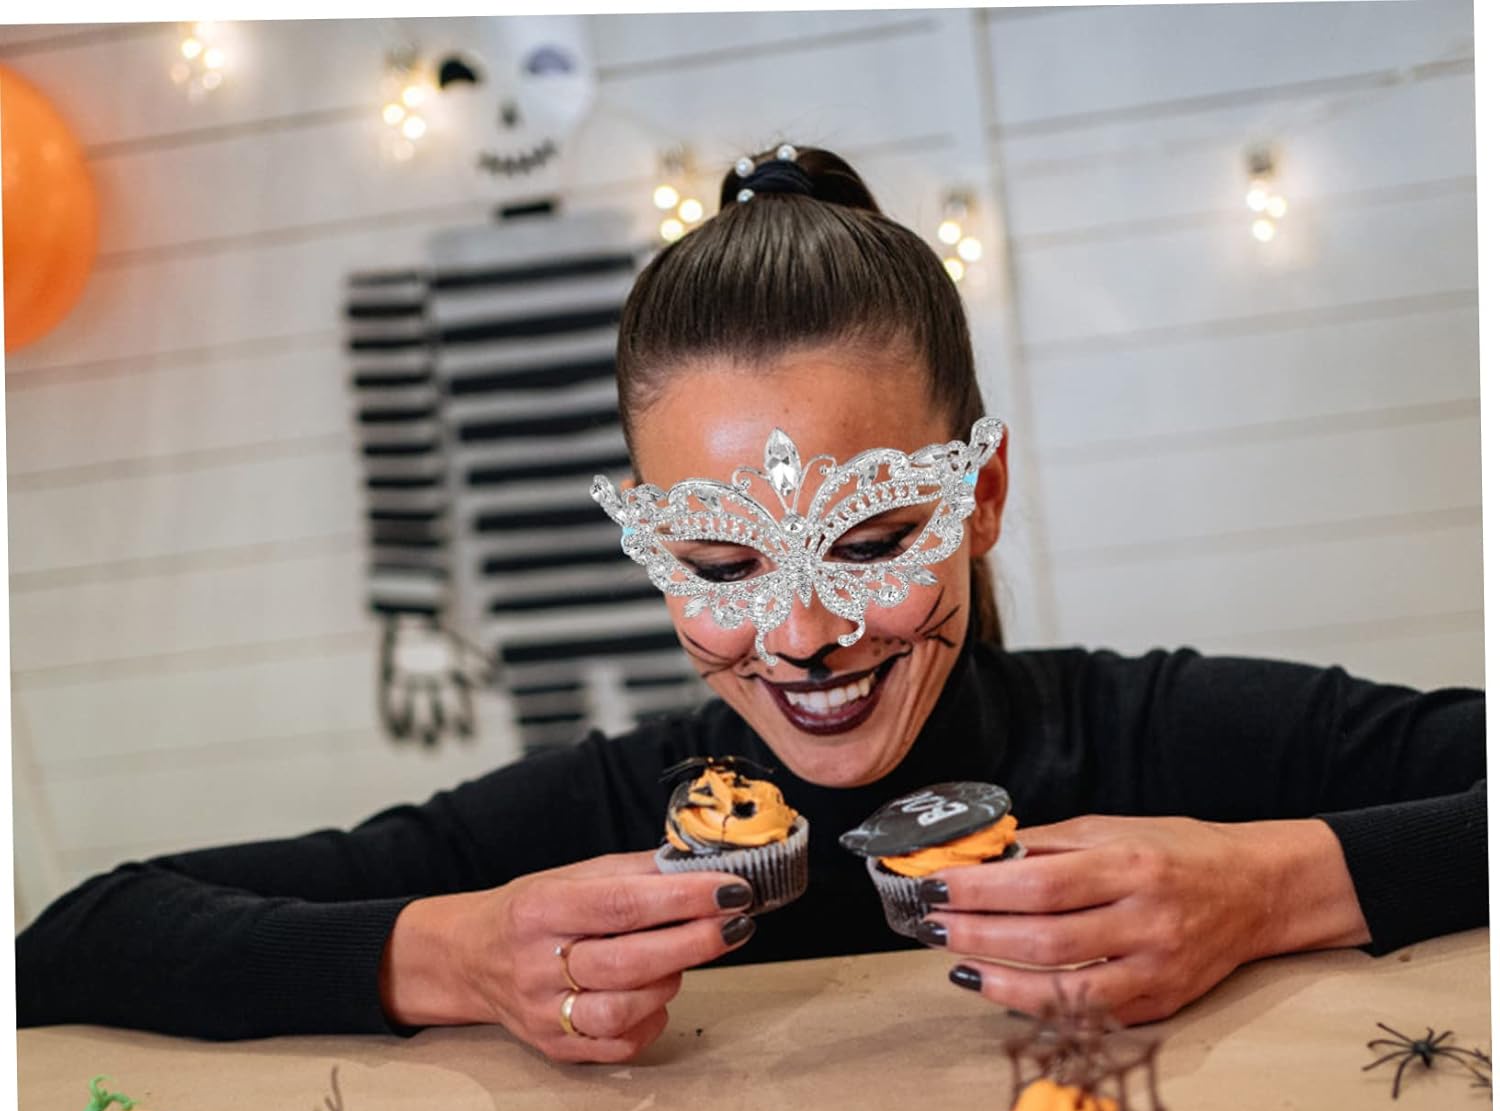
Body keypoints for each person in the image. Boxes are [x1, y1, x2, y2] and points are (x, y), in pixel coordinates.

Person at [16, 146, 1486, 1061]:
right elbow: (74, 937)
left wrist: (1267, 888)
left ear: (978, 497)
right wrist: (450, 953)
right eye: (723, 568)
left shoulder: (1149, 733)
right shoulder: (611, 811)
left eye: (872, 542)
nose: (800, 636)